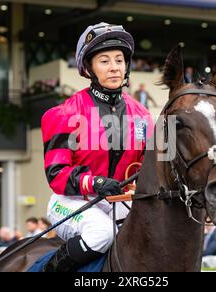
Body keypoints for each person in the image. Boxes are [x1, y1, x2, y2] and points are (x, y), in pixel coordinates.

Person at [41, 22, 153, 272]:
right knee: (103, 232)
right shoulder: (65, 113)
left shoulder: (142, 116)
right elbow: (56, 173)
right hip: (70, 200)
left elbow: (149, 165)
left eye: (119, 60)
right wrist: (96, 183)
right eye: (104, 61)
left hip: (119, 199)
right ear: (89, 68)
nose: (114, 67)